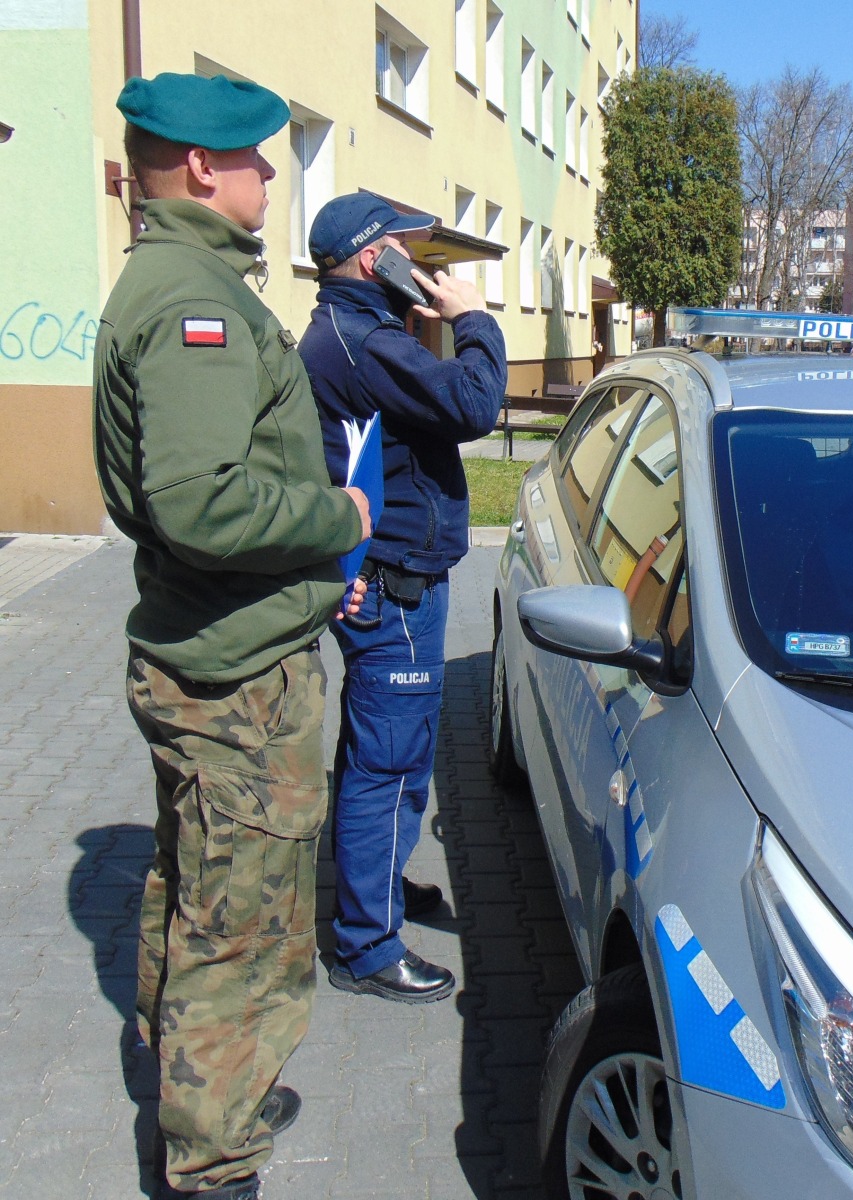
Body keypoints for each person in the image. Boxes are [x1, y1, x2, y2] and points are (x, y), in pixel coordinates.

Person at [93, 74, 372, 1200]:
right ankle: (215, 1162)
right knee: (242, 932)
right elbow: (201, 500)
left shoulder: (181, 281)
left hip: (219, 647)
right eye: (258, 159)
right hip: (236, 685)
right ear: (202, 169)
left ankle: (197, 1098)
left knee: (196, 891)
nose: (270, 175)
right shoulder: (192, 302)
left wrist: (307, 578)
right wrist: (334, 521)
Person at [298, 194, 506, 1003]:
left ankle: (374, 883)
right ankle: (365, 944)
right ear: (366, 257)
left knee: (393, 756)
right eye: (398, 246)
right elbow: (473, 404)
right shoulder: (363, 341)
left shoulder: (359, 334)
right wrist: (475, 319)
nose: (414, 259)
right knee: (387, 765)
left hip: (390, 579)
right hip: (395, 586)